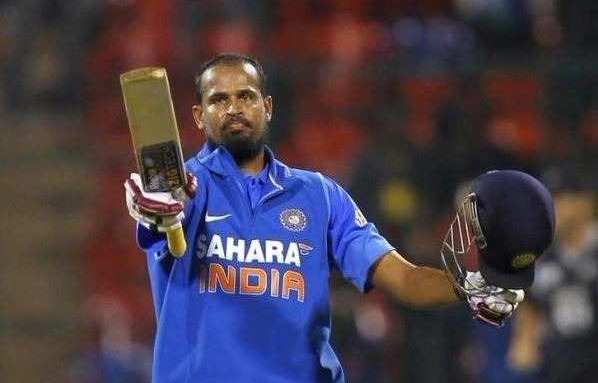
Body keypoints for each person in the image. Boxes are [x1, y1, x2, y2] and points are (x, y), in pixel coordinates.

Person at [123, 52, 554, 383]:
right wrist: (154, 207)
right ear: (199, 116)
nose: (234, 107)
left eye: (245, 96)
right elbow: (162, 207)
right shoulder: (187, 187)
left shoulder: (319, 196)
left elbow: (403, 278)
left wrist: (469, 287)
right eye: (219, 99)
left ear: (267, 107)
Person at [508, 166, 598, 383]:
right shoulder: (538, 263)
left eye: (558, 199)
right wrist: (525, 337)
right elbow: (523, 350)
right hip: (560, 373)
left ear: (585, 202)